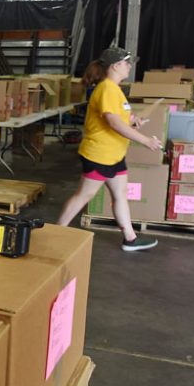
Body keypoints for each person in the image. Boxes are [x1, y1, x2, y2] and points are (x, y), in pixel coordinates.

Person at [57, 47, 162, 251]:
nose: (129, 66)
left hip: (114, 156)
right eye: (126, 62)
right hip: (100, 155)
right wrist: (145, 140)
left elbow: (119, 119)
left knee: (120, 194)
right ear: (115, 66)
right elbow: (113, 123)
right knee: (84, 195)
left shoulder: (115, 90)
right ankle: (57, 231)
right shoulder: (106, 88)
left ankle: (130, 238)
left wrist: (133, 121)